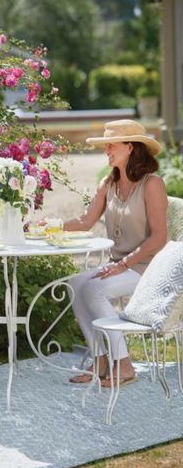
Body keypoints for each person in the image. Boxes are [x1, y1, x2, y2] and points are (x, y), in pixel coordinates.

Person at [64, 120, 167, 386]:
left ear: (130, 147)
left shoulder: (151, 184)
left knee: (93, 290)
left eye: (111, 145)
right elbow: (85, 221)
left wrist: (124, 264)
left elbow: (160, 237)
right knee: (75, 284)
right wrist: (47, 227)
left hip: (147, 266)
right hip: (119, 264)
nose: (106, 150)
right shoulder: (108, 183)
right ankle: (99, 359)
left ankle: (123, 364)